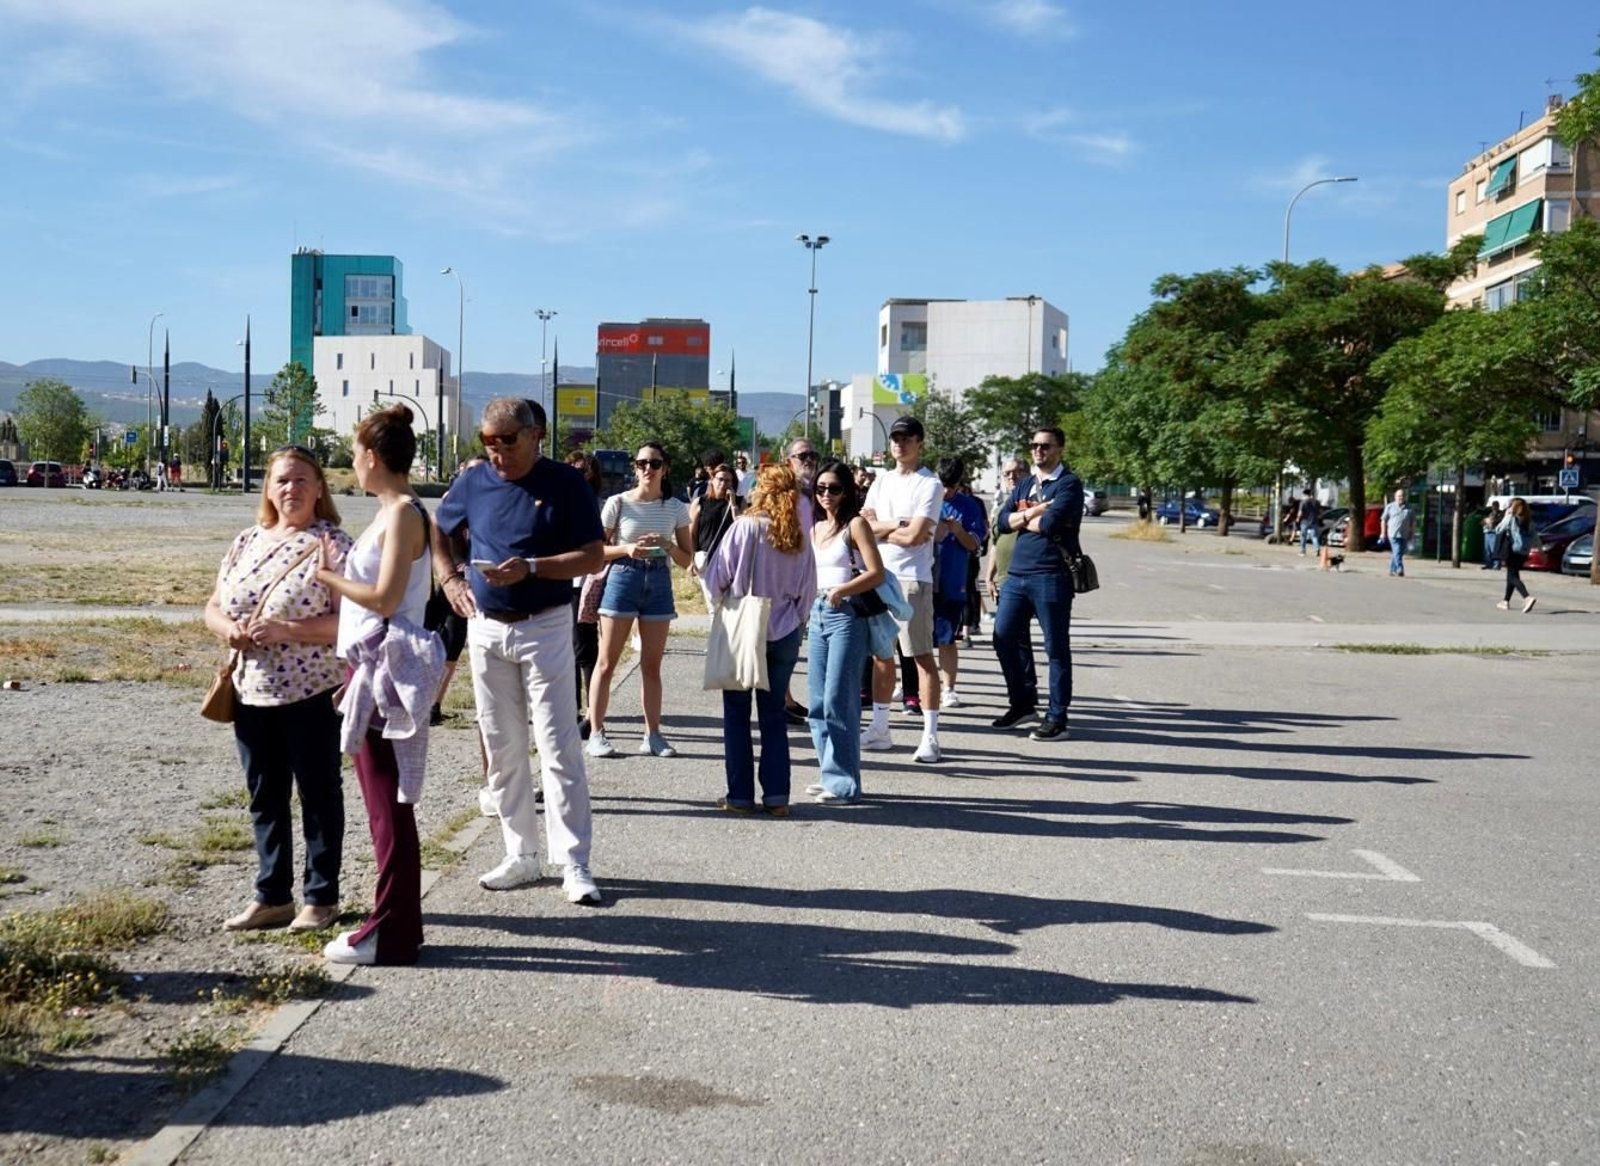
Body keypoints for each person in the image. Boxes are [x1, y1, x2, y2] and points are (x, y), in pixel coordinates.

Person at [432, 398, 606, 903]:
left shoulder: (566, 483)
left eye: (508, 440)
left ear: (536, 436)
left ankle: (573, 862)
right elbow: (438, 529)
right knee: (503, 748)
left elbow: (593, 555)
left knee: (558, 748)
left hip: (545, 625)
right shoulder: (473, 481)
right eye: (489, 441)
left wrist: (530, 567)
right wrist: (449, 580)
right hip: (486, 628)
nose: (498, 451)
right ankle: (520, 855)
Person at [204, 445, 353, 933]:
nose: (291, 489)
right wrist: (228, 629)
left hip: (311, 691)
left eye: (301, 480)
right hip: (251, 689)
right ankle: (272, 896)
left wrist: (288, 630)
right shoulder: (247, 540)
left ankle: (321, 897)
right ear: (268, 488)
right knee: (264, 795)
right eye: (282, 480)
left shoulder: (331, 543)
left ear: (319, 489)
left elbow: (352, 620)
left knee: (318, 793)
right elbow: (213, 604)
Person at [316, 405, 443, 966]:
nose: (350, 465)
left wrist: (330, 576)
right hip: (373, 665)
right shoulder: (394, 510)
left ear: (372, 457)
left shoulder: (402, 514)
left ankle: (389, 933)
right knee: (384, 801)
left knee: (386, 805)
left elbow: (387, 599)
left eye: (353, 454)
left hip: (386, 668)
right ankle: (397, 928)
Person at [704, 465, 817, 814]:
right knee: (773, 716)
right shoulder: (799, 538)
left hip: (745, 630)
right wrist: (794, 621)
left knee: (737, 714)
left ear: (762, 492)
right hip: (784, 631)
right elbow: (808, 592)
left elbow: (714, 580)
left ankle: (739, 795)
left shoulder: (744, 528)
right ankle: (777, 797)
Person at [587, 441, 694, 759]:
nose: (648, 469)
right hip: (623, 577)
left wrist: (666, 543)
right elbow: (595, 551)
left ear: (666, 468)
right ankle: (596, 732)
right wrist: (627, 549)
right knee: (606, 663)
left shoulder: (675, 507)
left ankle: (653, 734)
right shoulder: (617, 503)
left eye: (655, 464)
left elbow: (687, 560)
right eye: (642, 463)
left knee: (652, 665)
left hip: (659, 579)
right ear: (634, 468)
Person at [861, 416, 945, 763]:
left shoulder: (930, 485)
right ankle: (880, 727)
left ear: (920, 443)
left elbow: (916, 537)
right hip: (879, 574)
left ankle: (930, 736)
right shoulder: (880, 481)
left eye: (907, 438)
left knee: (920, 656)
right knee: (882, 655)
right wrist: (899, 523)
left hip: (913, 578)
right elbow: (864, 526)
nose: (900, 443)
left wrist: (883, 528)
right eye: (896, 437)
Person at [992, 427, 1084, 741]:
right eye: (1034, 445)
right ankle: (1022, 704)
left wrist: (1026, 516)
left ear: (1059, 448)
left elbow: (1050, 524)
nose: (1038, 451)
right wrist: (1032, 511)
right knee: (1003, 637)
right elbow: (1003, 523)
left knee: (1055, 648)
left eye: (1045, 446)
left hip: (1051, 575)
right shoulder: (1026, 484)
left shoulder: (1069, 484)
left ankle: (1057, 717)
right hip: (1016, 576)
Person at [805, 460, 884, 804]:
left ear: (847, 491)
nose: (826, 495)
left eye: (834, 488)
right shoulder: (816, 528)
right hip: (817, 614)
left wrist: (843, 590)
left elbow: (877, 572)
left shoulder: (856, 525)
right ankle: (829, 773)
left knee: (840, 699)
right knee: (817, 702)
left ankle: (844, 783)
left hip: (847, 614)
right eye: (820, 488)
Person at [933, 459, 985, 709]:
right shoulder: (924, 498)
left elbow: (974, 544)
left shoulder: (969, 506)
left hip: (952, 581)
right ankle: (907, 683)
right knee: (910, 638)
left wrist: (957, 530)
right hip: (921, 579)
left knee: (946, 638)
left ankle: (949, 688)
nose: (945, 492)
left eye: (951, 487)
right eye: (942, 485)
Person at [566, 451, 603, 739]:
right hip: (561, 584)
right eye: (571, 469)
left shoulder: (595, 506)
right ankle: (572, 712)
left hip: (585, 585)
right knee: (566, 651)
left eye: (582, 470)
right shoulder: (561, 501)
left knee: (584, 650)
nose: (576, 474)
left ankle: (592, 715)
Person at [688, 462, 740, 606]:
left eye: (728, 480)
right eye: (720, 479)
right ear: (712, 480)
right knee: (713, 604)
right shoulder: (701, 502)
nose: (723, 483)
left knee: (731, 604)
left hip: (731, 561)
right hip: (707, 559)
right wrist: (691, 559)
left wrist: (733, 503)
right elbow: (691, 534)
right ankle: (716, 628)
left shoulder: (739, 502)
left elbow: (741, 525)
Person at [1494, 499, 1540, 613]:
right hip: (1524, 551)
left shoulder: (1511, 518)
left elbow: (1498, 529)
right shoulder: (1529, 521)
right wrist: (1541, 550)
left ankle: (1527, 597)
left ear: (1513, 507)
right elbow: (1535, 537)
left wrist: (1506, 516)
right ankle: (1505, 601)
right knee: (1513, 574)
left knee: (1512, 577)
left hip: (1512, 550)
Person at [1380, 489, 1414, 577]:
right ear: (1395, 497)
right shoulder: (1390, 506)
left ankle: (1392, 570)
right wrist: (1383, 533)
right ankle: (1400, 569)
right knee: (1397, 551)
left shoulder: (1409, 508)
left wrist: (1412, 534)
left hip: (1404, 534)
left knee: (1398, 553)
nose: (1401, 498)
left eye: (1402, 496)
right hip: (1393, 534)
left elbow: (1412, 523)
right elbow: (1383, 520)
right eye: (1399, 496)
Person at [1298, 492, 1322, 557]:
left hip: (1305, 522)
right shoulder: (1317, 502)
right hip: (1314, 521)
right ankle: (1317, 549)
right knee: (1314, 537)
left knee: (1303, 536)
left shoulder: (1303, 502)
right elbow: (1320, 513)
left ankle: (1303, 551)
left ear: (1305, 495)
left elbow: (1300, 512)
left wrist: (1298, 519)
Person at [1481, 501, 1504, 569]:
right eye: (1493, 506)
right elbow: (1482, 522)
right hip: (1487, 532)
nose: (1494, 507)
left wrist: (1493, 521)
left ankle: (1496, 565)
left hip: (1494, 533)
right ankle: (1488, 564)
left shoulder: (1500, 513)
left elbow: (1500, 521)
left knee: (1494, 549)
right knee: (1487, 550)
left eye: (1495, 506)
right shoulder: (1490, 513)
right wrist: (1485, 521)